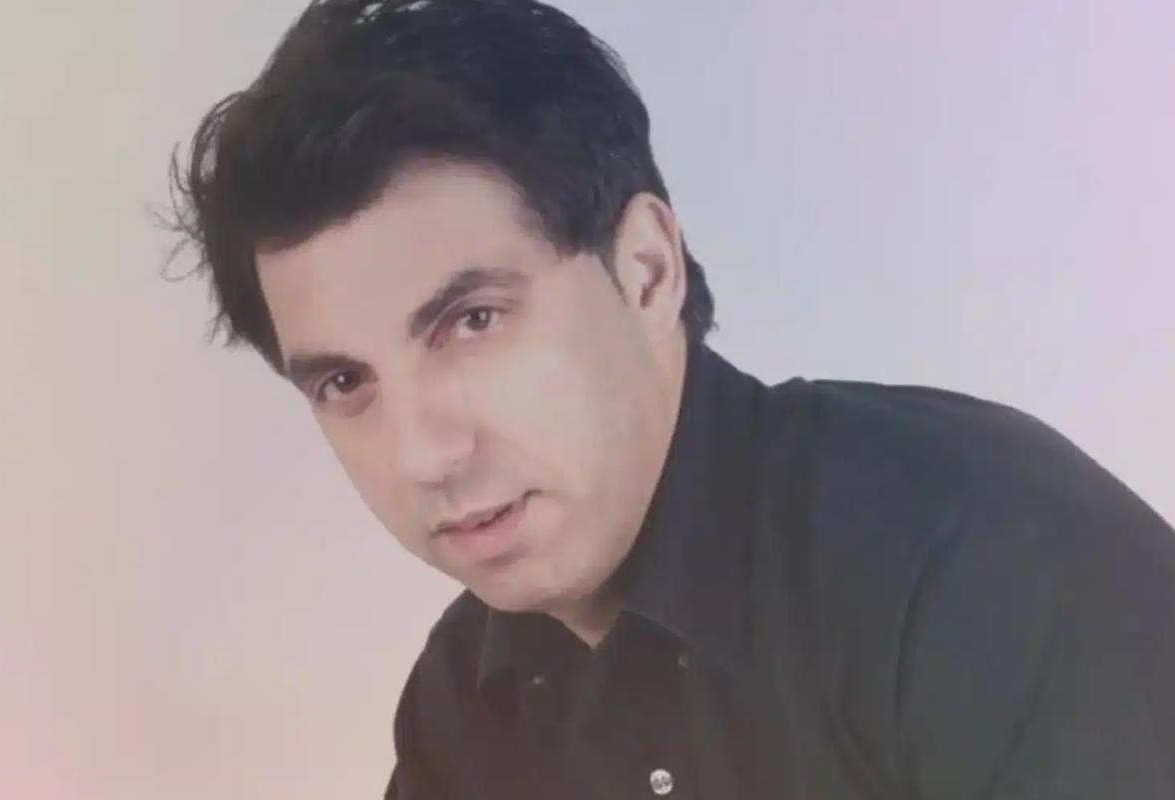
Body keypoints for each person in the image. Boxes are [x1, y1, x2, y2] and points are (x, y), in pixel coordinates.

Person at [167, 1, 1175, 797]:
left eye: (472, 321)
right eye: (345, 382)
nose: (421, 452)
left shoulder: (974, 560)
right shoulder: (464, 706)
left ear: (647, 269)